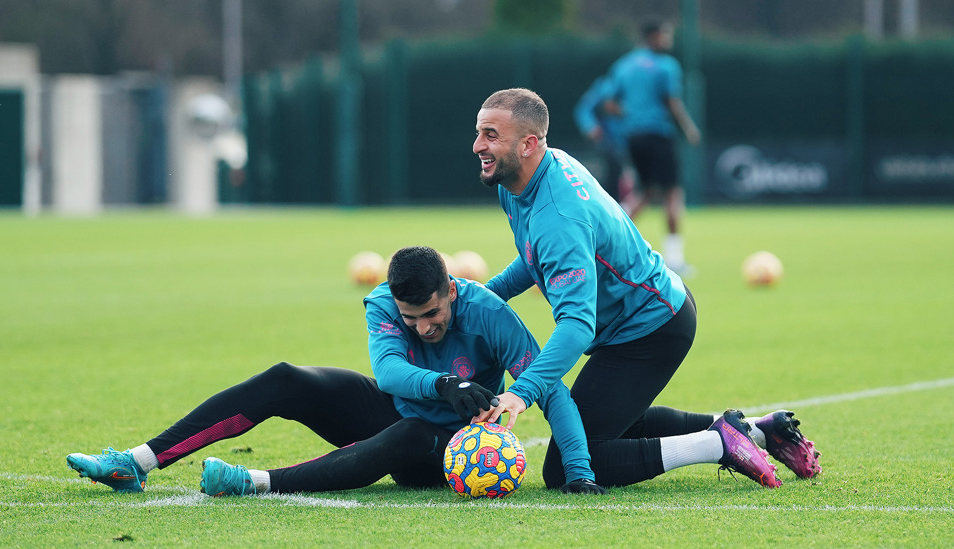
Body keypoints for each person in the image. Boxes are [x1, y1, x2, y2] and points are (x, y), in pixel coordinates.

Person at [471, 88, 821, 490]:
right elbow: (538, 255)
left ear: (529, 143)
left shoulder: (559, 215)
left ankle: (717, 444)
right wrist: (485, 296)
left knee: (566, 467)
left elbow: (576, 325)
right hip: (651, 311)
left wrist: (523, 392)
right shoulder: (524, 178)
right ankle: (759, 431)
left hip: (650, 328)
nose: (479, 145)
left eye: (491, 134)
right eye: (480, 132)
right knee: (617, 419)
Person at [66, 246, 606, 496]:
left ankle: (254, 483)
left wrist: (578, 472)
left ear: (452, 290)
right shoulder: (382, 304)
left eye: (434, 314)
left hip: (447, 446)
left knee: (413, 433)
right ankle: (137, 461)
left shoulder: (488, 310)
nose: (423, 327)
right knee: (286, 377)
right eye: (411, 317)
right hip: (397, 407)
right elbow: (390, 372)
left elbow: (551, 389)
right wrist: (444, 382)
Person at [603, 20, 702, 275]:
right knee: (672, 193)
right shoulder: (666, 65)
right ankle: (675, 259)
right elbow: (672, 101)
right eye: (665, 35)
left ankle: (607, 246)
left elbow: (610, 105)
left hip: (634, 137)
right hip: (659, 134)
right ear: (654, 36)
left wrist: (634, 114)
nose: (668, 40)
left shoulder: (623, 65)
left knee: (645, 193)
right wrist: (689, 129)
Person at [573, 74, 627, 205]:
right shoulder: (606, 86)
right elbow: (583, 110)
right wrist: (591, 127)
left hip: (622, 144)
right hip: (604, 144)